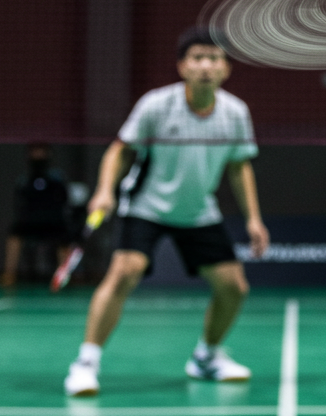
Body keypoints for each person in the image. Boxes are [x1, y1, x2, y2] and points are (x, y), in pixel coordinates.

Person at [64, 27, 269, 397]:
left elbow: (240, 166)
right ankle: (85, 364)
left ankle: (206, 357)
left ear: (226, 68)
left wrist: (253, 218)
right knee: (125, 272)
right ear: (182, 67)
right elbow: (119, 150)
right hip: (146, 205)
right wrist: (105, 191)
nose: (206, 65)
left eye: (214, 58)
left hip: (198, 209)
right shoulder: (156, 105)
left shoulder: (235, 113)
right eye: (198, 58)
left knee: (233, 287)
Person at [0, 143, 73, 288]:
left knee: (65, 235)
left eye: (42, 151)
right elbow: (18, 204)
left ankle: (64, 275)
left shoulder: (57, 178)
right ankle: (9, 275)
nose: (38, 155)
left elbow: (65, 200)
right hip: (30, 222)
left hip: (53, 221)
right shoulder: (24, 179)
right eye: (35, 152)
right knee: (14, 233)